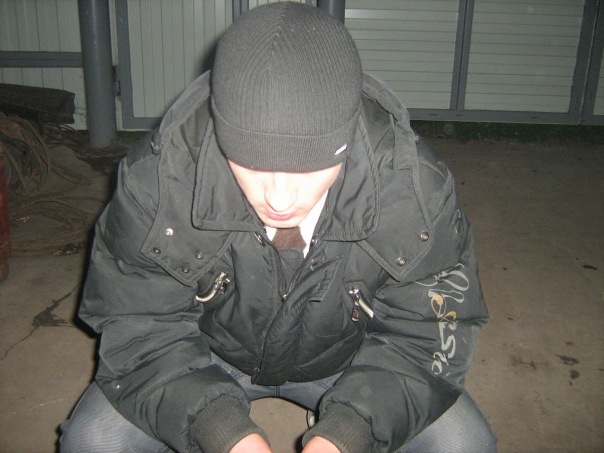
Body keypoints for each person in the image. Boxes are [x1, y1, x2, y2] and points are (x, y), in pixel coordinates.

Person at [60, 3, 496, 452]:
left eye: (309, 167)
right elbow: (139, 327)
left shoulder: (414, 189)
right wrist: (222, 432)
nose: (280, 200)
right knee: (94, 441)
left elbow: (428, 337)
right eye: (251, 163)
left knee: (464, 443)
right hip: (205, 357)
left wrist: (348, 432)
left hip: (351, 364)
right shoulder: (158, 181)